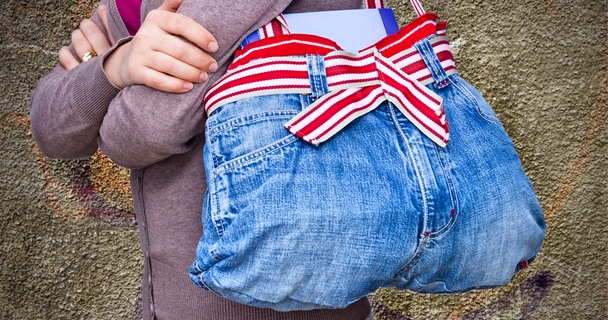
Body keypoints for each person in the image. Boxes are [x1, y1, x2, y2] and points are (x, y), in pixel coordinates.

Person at [30, 0, 374, 319]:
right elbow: (51, 129)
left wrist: (104, 80)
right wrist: (115, 65)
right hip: (166, 301)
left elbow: (140, 133)